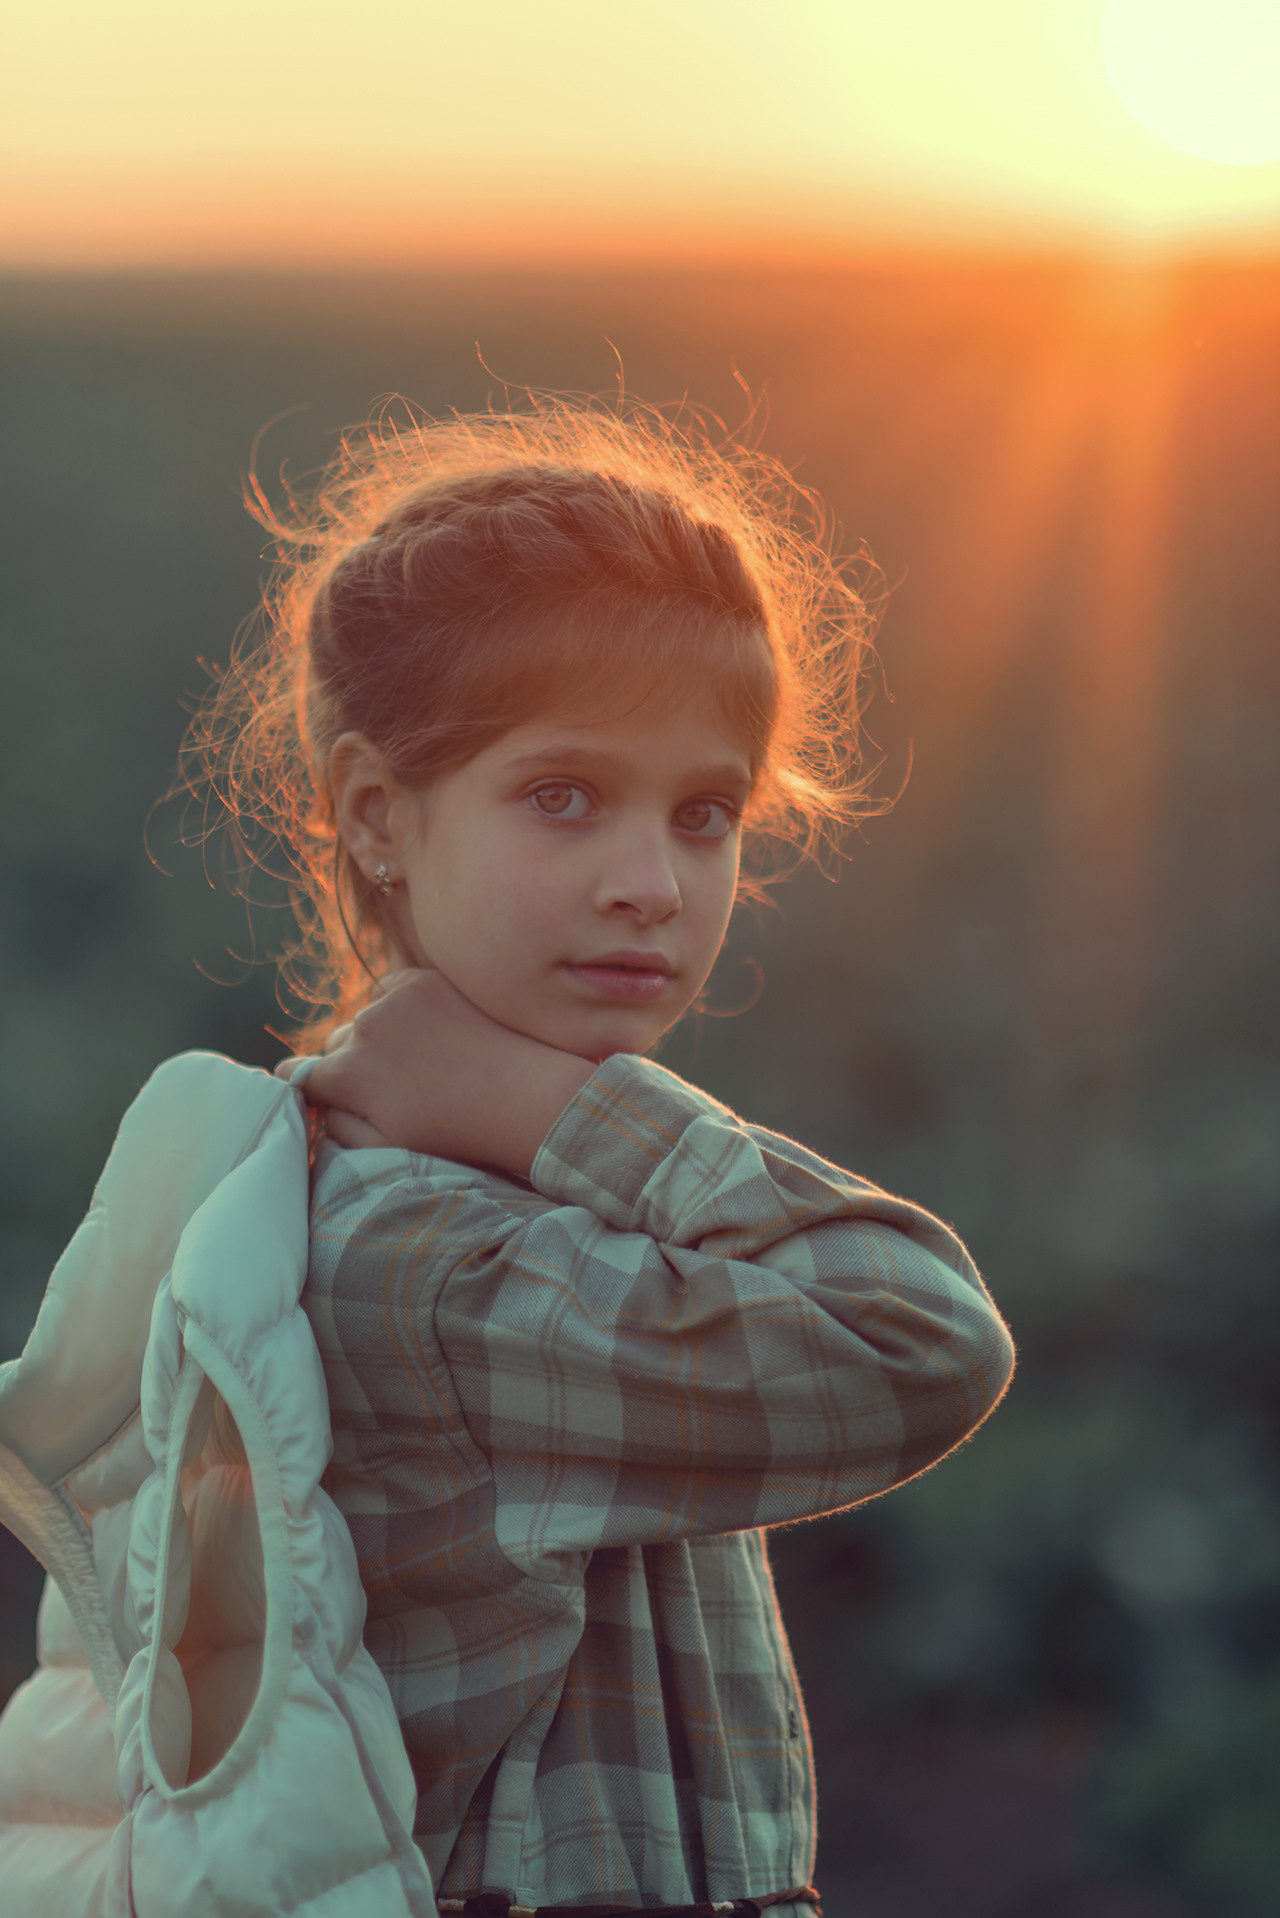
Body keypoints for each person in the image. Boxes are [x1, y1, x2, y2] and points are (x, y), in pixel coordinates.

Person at [199, 398, 1016, 1918]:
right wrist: (554, 1108)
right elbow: (918, 1338)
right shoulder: (415, 1253)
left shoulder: (498, 1201)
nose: (651, 883)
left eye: (705, 814)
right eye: (562, 797)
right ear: (378, 815)